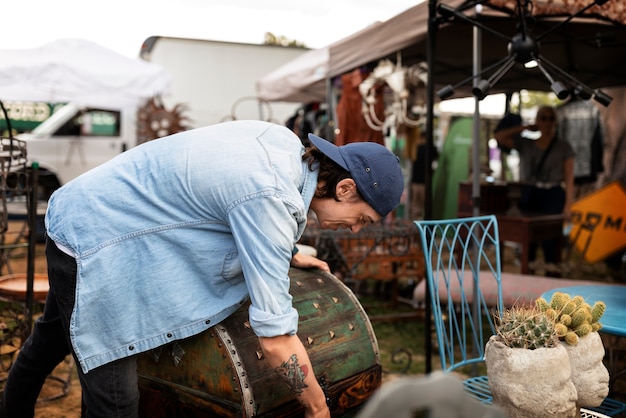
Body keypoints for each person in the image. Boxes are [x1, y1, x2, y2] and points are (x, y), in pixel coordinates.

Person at [0, 120, 403, 418]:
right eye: (361, 218)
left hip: (88, 210)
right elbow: (276, 337)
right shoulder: (271, 197)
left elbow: (234, 203)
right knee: (116, 401)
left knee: (50, 337)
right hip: (97, 239)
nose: (354, 228)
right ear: (345, 188)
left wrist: (287, 251)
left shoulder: (286, 148)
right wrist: (317, 407)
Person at [494, 106, 575, 276]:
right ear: (538, 120)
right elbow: (499, 137)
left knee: (551, 244)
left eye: (550, 118)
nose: (546, 122)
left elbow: (569, 177)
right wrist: (526, 127)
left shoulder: (563, 146)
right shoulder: (526, 144)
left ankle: (553, 287)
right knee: (528, 243)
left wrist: (569, 204)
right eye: (543, 118)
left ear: (555, 122)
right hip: (530, 194)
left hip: (552, 194)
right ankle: (527, 285)